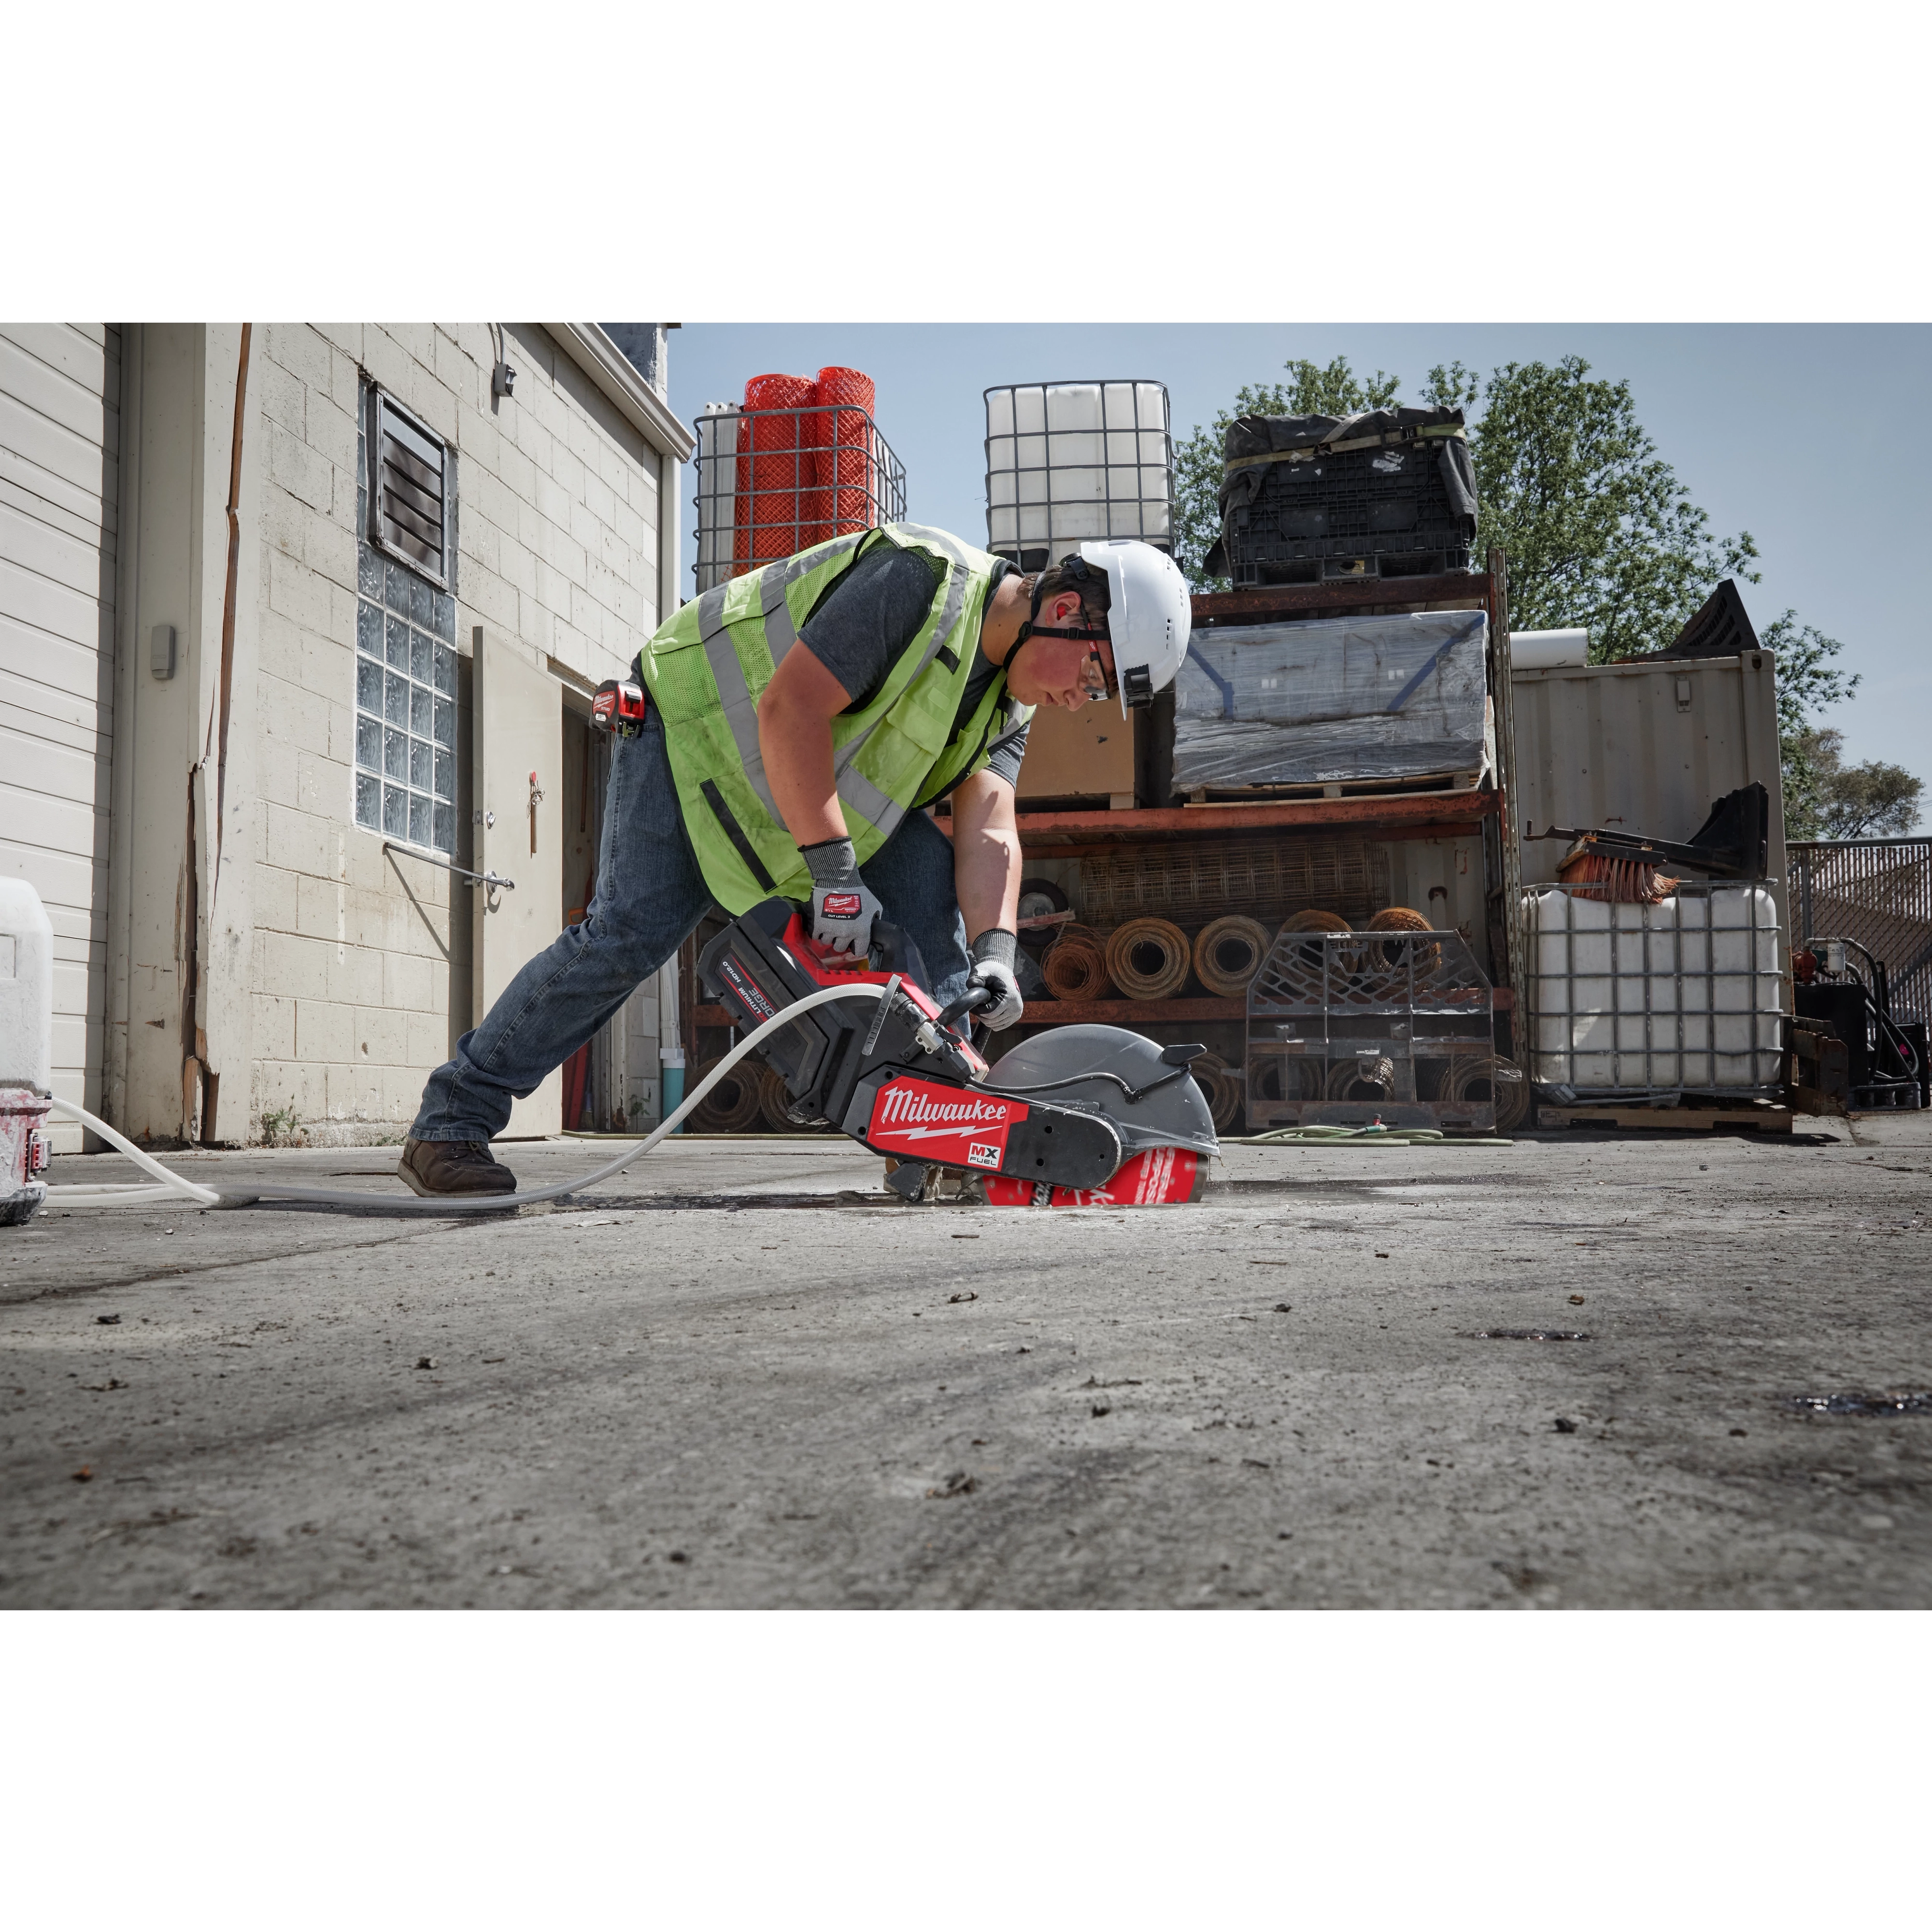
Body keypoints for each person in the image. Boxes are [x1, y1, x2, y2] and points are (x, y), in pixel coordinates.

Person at [398, 525, 1191, 1195]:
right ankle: (451, 1121)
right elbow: (789, 707)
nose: (1086, 700)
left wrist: (998, 951)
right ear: (1061, 610)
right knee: (628, 935)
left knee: (942, 942)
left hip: (807, 791)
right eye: (1096, 675)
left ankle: (945, 1144)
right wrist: (836, 875)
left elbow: (987, 824)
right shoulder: (919, 583)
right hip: (697, 738)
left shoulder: (1006, 705)